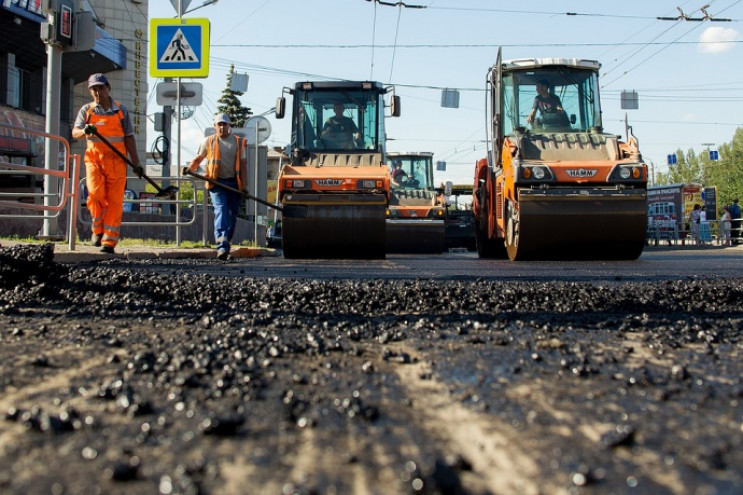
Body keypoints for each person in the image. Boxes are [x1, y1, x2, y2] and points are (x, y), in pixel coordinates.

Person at [72, 73, 143, 254]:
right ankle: (97, 229)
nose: (97, 92)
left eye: (100, 88)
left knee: (114, 202)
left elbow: (129, 138)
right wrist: (84, 131)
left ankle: (109, 242)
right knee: (95, 195)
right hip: (94, 160)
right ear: (90, 91)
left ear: (108, 88)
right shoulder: (86, 111)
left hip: (117, 163)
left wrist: (136, 163)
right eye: (93, 89)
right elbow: (74, 132)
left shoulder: (121, 111)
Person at [182, 113, 248, 260]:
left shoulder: (238, 143)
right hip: (216, 183)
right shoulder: (209, 142)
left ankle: (226, 243)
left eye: (224, 124)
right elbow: (199, 158)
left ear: (229, 126)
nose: (222, 127)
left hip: (234, 184)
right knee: (221, 210)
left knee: (232, 216)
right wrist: (189, 169)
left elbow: (243, 165)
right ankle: (222, 247)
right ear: (215, 126)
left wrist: (244, 186)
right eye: (219, 124)